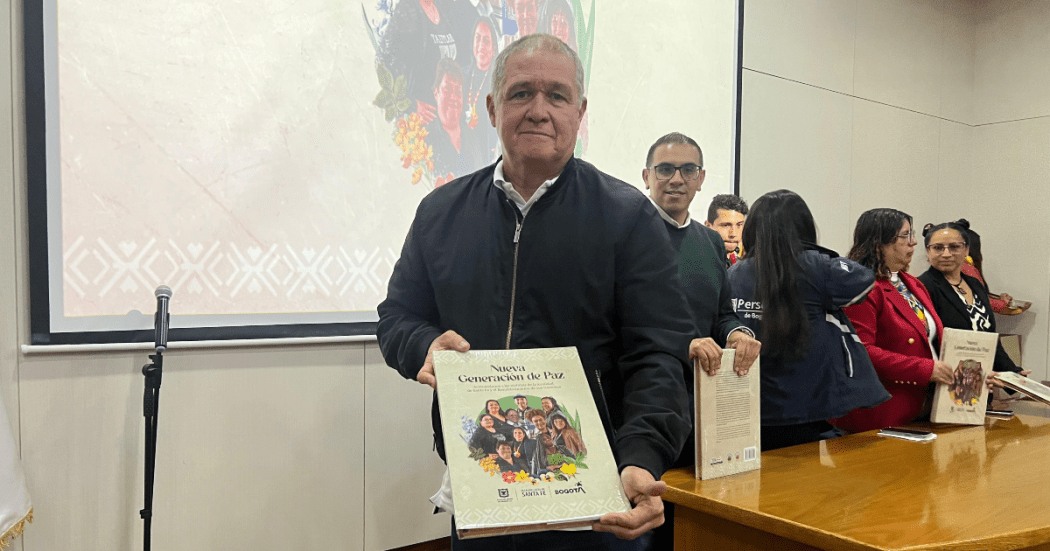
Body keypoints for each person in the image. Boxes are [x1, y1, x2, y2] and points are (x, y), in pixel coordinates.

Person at [376, 33, 694, 548]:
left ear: (580, 112)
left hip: (599, 499)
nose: (539, 110)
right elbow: (397, 316)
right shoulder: (440, 212)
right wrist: (422, 345)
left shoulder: (628, 217)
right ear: (492, 107)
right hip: (483, 487)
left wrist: (642, 455)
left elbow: (658, 353)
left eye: (557, 96)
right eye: (521, 93)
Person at [726, 190, 889, 450]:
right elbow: (863, 280)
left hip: (750, 403)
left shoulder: (734, 274)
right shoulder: (816, 266)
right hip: (807, 404)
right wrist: (811, 251)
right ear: (803, 228)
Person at [642, 133, 760, 386]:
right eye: (665, 169)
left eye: (688, 170)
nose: (677, 179)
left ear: (700, 179)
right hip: (642, 390)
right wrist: (682, 345)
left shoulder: (710, 242)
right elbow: (612, 323)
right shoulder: (624, 235)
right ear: (646, 177)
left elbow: (723, 315)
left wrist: (736, 334)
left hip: (703, 388)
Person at [831, 209, 952, 433]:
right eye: (905, 235)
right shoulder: (861, 287)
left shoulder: (913, 284)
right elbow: (860, 352)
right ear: (880, 243)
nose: (914, 242)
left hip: (923, 409)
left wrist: (971, 369)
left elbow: (933, 342)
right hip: (880, 414)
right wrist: (925, 369)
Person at [917, 221, 1026, 377]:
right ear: (928, 251)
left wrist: (1014, 373)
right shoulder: (921, 287)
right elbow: (922, 345)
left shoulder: (974, 284)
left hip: (981, 379)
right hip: (945, 379)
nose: (946, 254)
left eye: (954, 247)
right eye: (938, 248)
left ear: (966, 250)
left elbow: (989, 338)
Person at [705, 194, 748, 268]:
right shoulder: (694, 263)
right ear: (708, 226)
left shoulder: (742, 266)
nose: (733, 234)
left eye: (739, 225)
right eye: (726, 225)